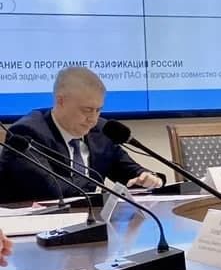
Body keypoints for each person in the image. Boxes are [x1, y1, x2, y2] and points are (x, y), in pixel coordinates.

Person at [0, 67, 164, 204]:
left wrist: (148, 178)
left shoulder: (101, 131)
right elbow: (51, 189)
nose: (93, 118)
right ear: (61, 101)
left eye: (98, 110)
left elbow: (129, 171)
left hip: (89, 220)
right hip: (32, 225)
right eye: (87, 110)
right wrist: (102, 192)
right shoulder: (27, 132)